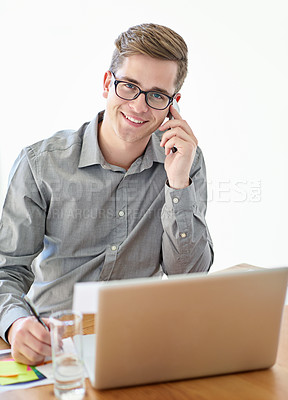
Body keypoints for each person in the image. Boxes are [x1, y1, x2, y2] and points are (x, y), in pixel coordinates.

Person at [0, 23, 213, 365]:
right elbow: (6, 269)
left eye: (157, 94)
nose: (140, 107)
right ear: (106, 84)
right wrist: (16, 324)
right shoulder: (40, 164)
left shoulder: (184, 161)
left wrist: (178, 185)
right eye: (129, 86)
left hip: (141, 345)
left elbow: (188, 277)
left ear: (173, 104)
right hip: (55, 347)